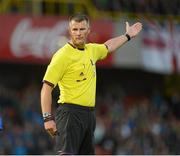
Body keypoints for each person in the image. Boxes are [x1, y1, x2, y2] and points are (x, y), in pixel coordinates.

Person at [40, 13, 142, 155]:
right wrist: (47, 118)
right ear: (70, 31)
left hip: (88, 116)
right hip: (70, 113)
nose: (78, 33)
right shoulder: (62, 56)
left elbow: (108, 46)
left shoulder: (92, 50)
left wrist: (127, 36)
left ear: (88, 30)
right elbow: (46, 88)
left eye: (82, 29)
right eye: (75, 29)